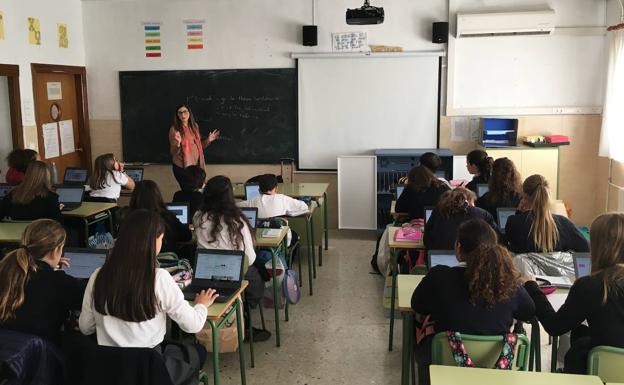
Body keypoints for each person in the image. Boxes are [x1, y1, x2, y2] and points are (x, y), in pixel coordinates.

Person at [79, 210, 218, 385]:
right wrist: (201, 305)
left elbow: (85, 328)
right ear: (154, 242)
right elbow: (193, 325)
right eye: (161, 238)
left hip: (108, 371)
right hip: (150, 369)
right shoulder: (158, 278)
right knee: (198, 351)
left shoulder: (98, 275)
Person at [412, 219, 535, 385]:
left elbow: (417, 305)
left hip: (446, 364)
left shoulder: (439, 276)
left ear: (459, 248)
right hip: (497, 367)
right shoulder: (509, 283)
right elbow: (528, 312)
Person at [523, 213, 624, 374]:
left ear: (599, 246)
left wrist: (532, 287)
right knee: (581, 335)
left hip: (602, 371)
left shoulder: (591, 286)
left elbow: (554, 326)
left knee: (579, 342)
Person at [193, 175, 271, 341]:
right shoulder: (237, 221)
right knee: (256, 277)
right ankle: (245, 322)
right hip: (233, 276)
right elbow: (249, 257)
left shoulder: (199, 217)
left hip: (204, 276)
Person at [0, 219, 85, 345]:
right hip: (39, 357)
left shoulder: (6, 268)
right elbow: (89, 297)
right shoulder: (60, 282)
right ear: (56, 250)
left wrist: (49, 266)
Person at [505, 175, 589, 253]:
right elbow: (585, 249)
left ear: (525, 197)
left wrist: (519, 212)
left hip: (523, 269)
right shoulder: (564, 223)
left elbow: (508, 248)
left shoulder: (513, 222)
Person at [238, 173, 308, 246]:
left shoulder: (252, 201)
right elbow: (304, 206)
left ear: (259, 190)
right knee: (295, 236)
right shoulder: (282, 198)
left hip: (258, 241)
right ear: (276, 188)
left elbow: (235, 206)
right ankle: (287, 256)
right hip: (282, 241)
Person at [128, 180, 192, 256]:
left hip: (136, 263)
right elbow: (187, 236)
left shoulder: (129, 219)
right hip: (168, 263)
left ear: (134, 198)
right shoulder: (168, 217)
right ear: (158, 196)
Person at [424, 187, 498, 251]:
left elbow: (426, 239)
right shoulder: (483, 214)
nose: (474, 205)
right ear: (468, 200)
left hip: (440, 258)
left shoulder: (438, 211)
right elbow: (497, 238)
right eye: (473, 202)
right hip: (474, 260)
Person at [169, 104, 219, 189]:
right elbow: (173, 152)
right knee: (188, 191)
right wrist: (178, 143)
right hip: (182, 168)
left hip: (195, 167)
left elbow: (199, 147)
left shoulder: (194, 126)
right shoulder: (174, 129)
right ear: (177, 115)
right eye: (180, 113)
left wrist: (208, 140)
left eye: (185, 112)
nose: (183, 115)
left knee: (197, 191)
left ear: (189, 113)